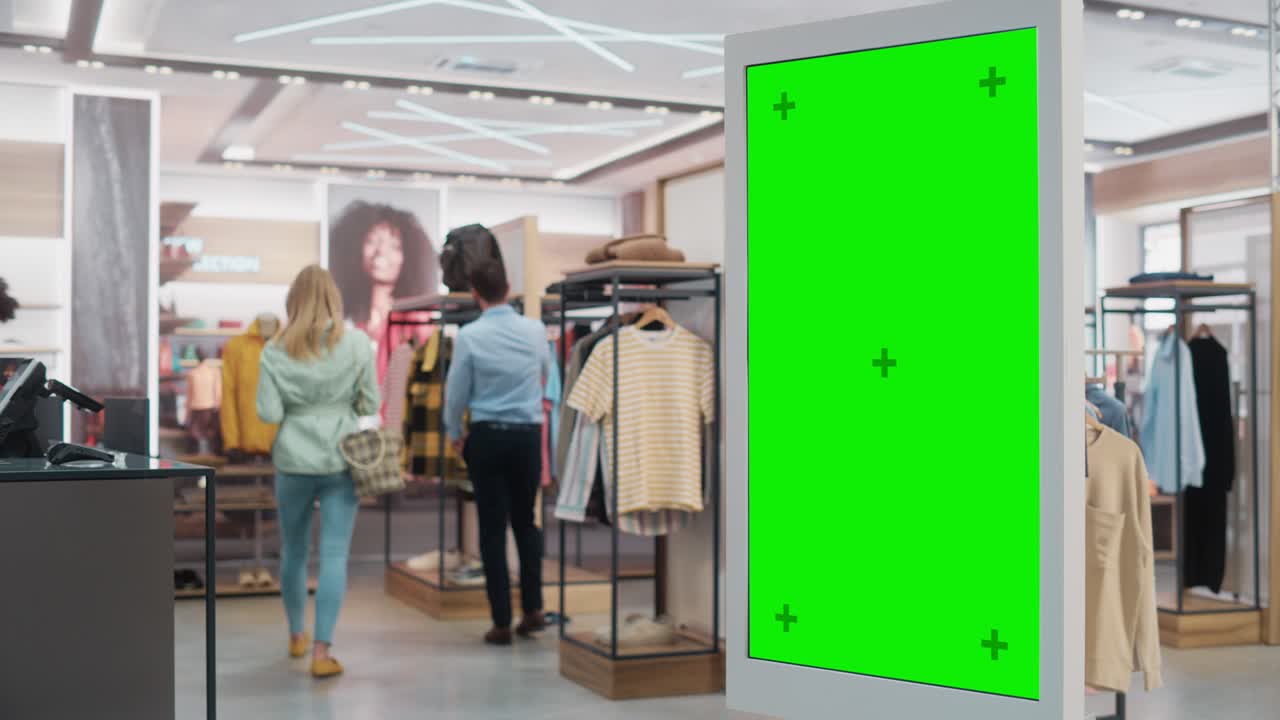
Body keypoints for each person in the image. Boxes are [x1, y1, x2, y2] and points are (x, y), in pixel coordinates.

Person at [257, 265, 380, 678]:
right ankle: (322, 653)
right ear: (334, 298)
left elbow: (268, 412)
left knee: (293, 553)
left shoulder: (274, 349)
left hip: (292, 458)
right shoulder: (359, 344)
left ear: (294, 301)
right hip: (342, 458)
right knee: (334, 555)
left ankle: (296, 635)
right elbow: (368, 405)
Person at [444, 260, 551, 645]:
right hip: (527, 435)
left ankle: (502, 621)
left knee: (491, 529)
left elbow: (457, 391)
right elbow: (546, 375)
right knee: (527, 521)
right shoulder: (535, 330)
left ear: (475, 293)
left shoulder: (470, 336)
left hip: (487, 436)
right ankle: (535, 608)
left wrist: (455, 430)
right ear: (508, 289)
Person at [328, 200, 436, 343]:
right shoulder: (342, 317)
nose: (380, 252)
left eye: (394, 246)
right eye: (371, 241)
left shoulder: (417, 320)